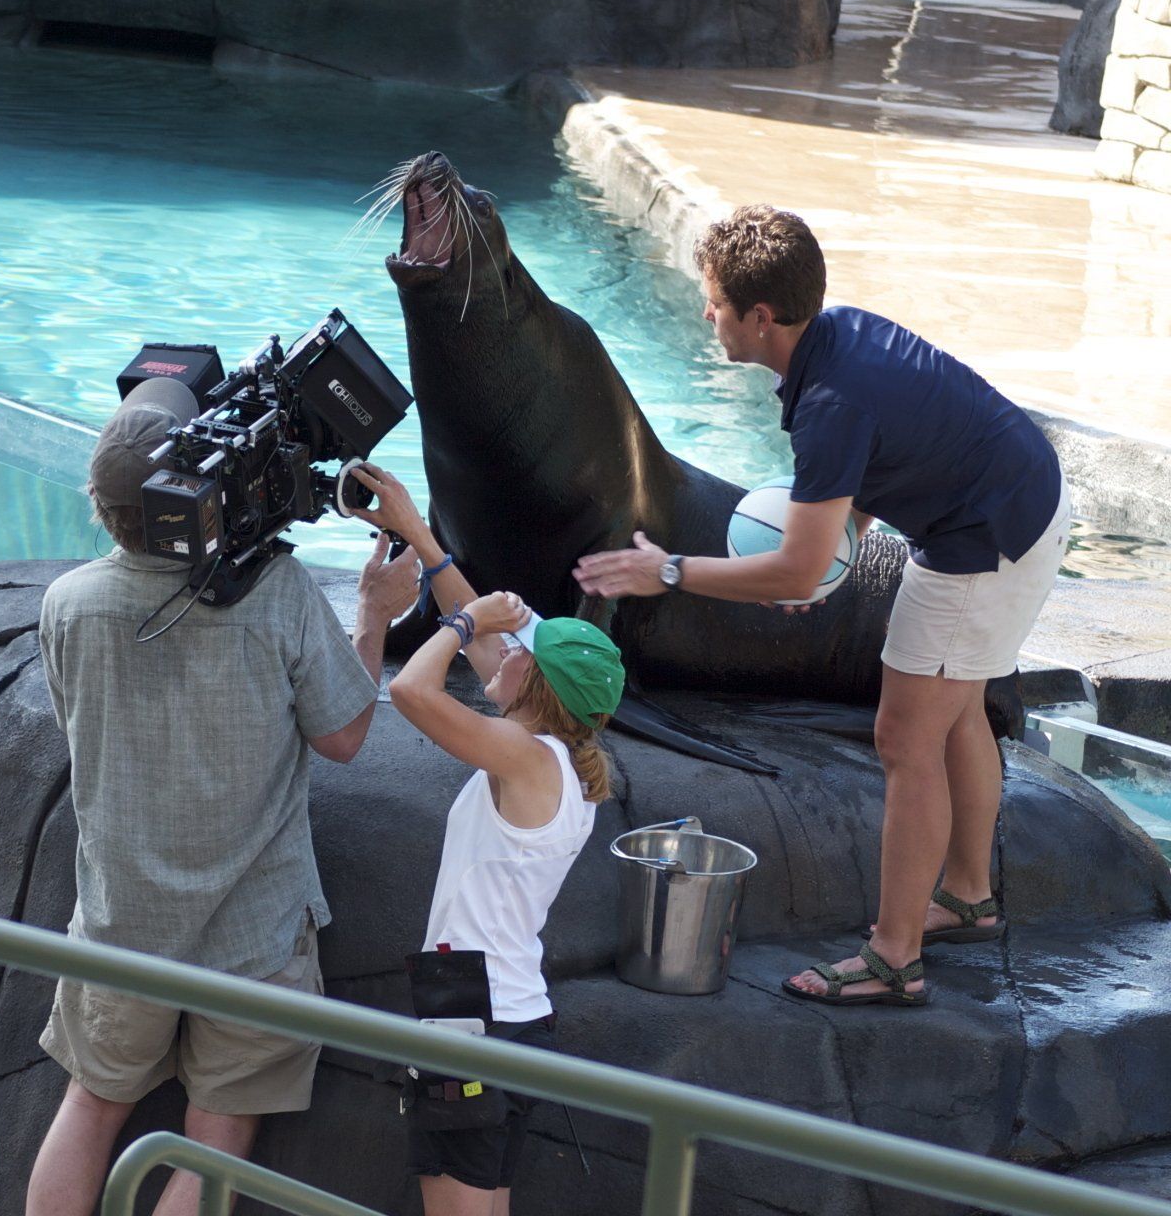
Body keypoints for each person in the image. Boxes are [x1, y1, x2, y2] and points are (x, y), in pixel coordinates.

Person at [574, 205, 1069, 1007]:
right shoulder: (837, 337)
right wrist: (828, 555)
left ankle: (894, 956)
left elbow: (796, 575)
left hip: (984, 544)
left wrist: (666, 572)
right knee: (959, 706)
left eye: (716, 302)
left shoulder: (830, 403)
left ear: (761, 317)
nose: (707, 314)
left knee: (906, 737)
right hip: (1023, 504)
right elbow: (876, 471)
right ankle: (968, 896)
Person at [23, 379, 420, 1216]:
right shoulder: (276, 593)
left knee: (91, 1106)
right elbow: (345, 735)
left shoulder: (67, 605)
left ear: (104, 506)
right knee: (217, 1137)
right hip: (255, 937)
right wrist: (375, 614)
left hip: (119, 925)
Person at [350, 464, 621, 1216]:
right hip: (512, 1013)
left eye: (516, 650)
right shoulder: (559, 759)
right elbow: (473, 628)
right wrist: (417, 531)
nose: (502, 651)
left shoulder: (525, 758)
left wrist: (467, 625)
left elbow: (410, 690)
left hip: (474, 1018)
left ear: (533, 683)